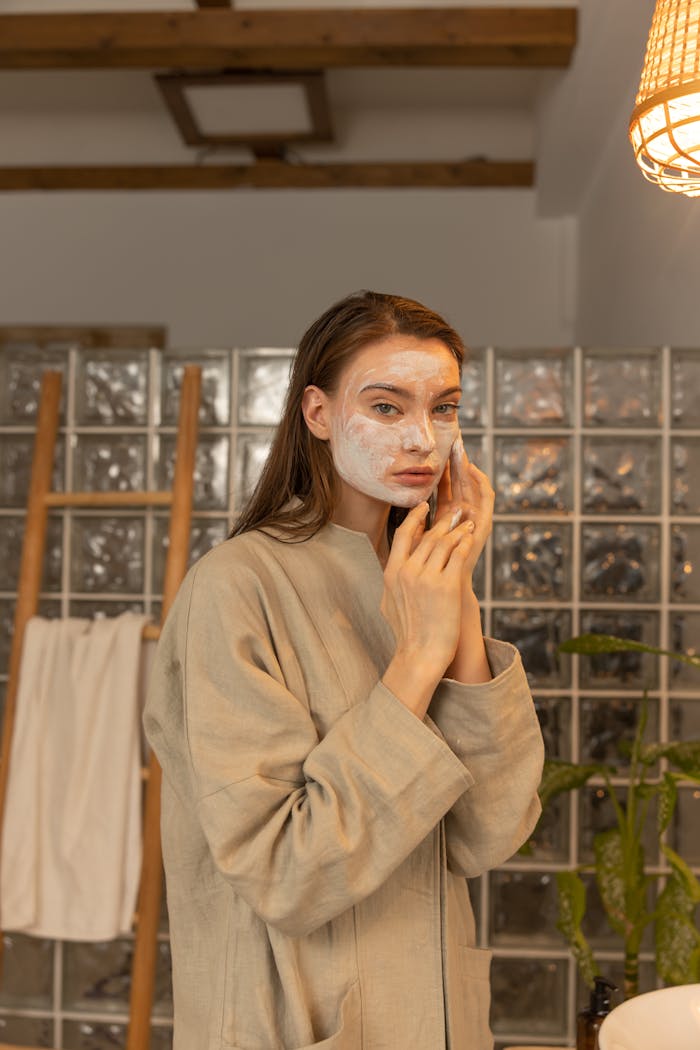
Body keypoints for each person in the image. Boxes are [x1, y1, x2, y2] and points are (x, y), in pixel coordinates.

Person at [144, 290, 544, 1050]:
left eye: (446, 407)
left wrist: (456, 596)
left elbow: (488, 835)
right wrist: (417, 660)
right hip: (298, 1024)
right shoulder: (237, 588)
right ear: (319, 414)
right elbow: (283, 875)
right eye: (387, 407)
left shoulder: (420, 575)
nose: (423, 438)